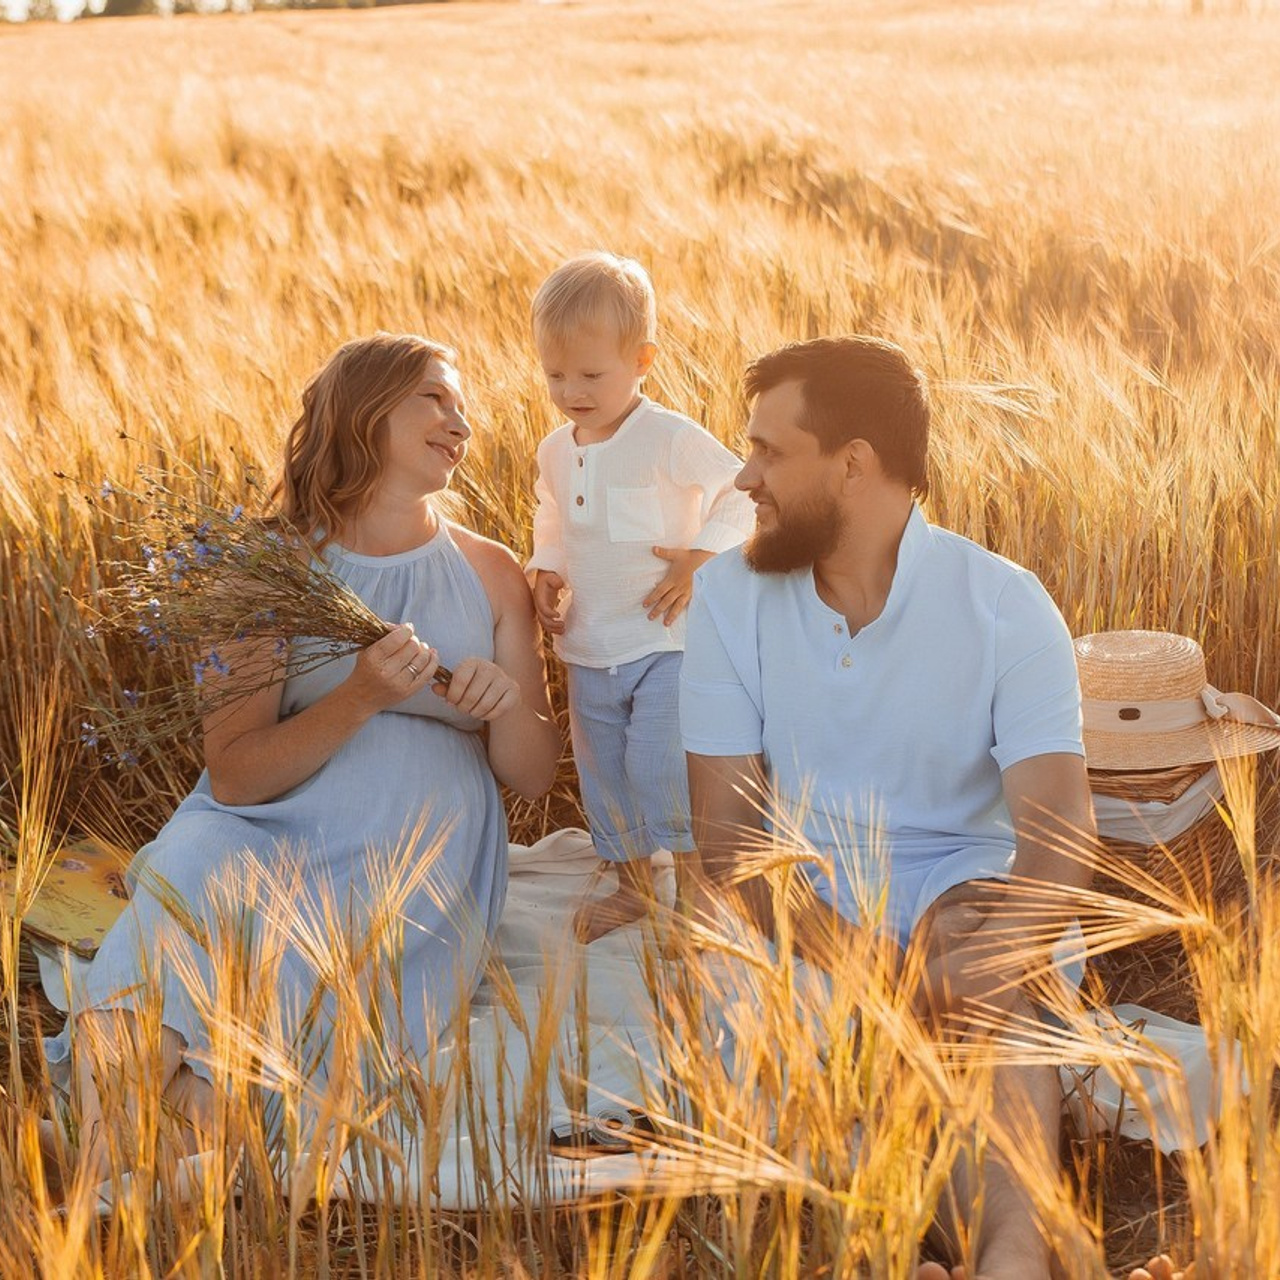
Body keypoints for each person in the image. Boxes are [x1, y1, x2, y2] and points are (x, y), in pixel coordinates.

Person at [43, 333, 561, 1181]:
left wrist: (506, 707)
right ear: (365, 412)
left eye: (461, 404)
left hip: (414, 855)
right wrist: (359, 694)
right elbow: (238, 774)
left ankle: (88, 1163)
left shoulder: (491, 573)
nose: (459, 419)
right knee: (182, 906)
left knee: (304, 1015)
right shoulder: (265, 570)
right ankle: (117, 1149)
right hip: (257, 831)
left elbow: (534, 773)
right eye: (435, 397)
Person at [678, 336, 1096, 1279]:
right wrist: (872, 963)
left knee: (980, 971)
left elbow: (1061, 835)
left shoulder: (1005, 604)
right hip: (802, 901)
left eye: (769, 451)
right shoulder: (726, 597)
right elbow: (729, 848)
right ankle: (890, 1253)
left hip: (965, 878)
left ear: (854, 463)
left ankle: (1010, 1259)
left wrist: (1001, 944)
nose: (744, 477)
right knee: (812, 1027)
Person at [525, 252, 753, 943]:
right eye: (556, 375)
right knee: (605, 774)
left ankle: (695, 891)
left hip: (663, 638)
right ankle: (633, 888)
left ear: (642, 358)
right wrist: (545, 569)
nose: (572, 391)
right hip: (590, 644)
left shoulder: (668, 437)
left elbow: (742, 491)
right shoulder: (556, 451)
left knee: (659, 765)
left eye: (592, 374)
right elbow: (552, 514)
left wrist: (702, 557)